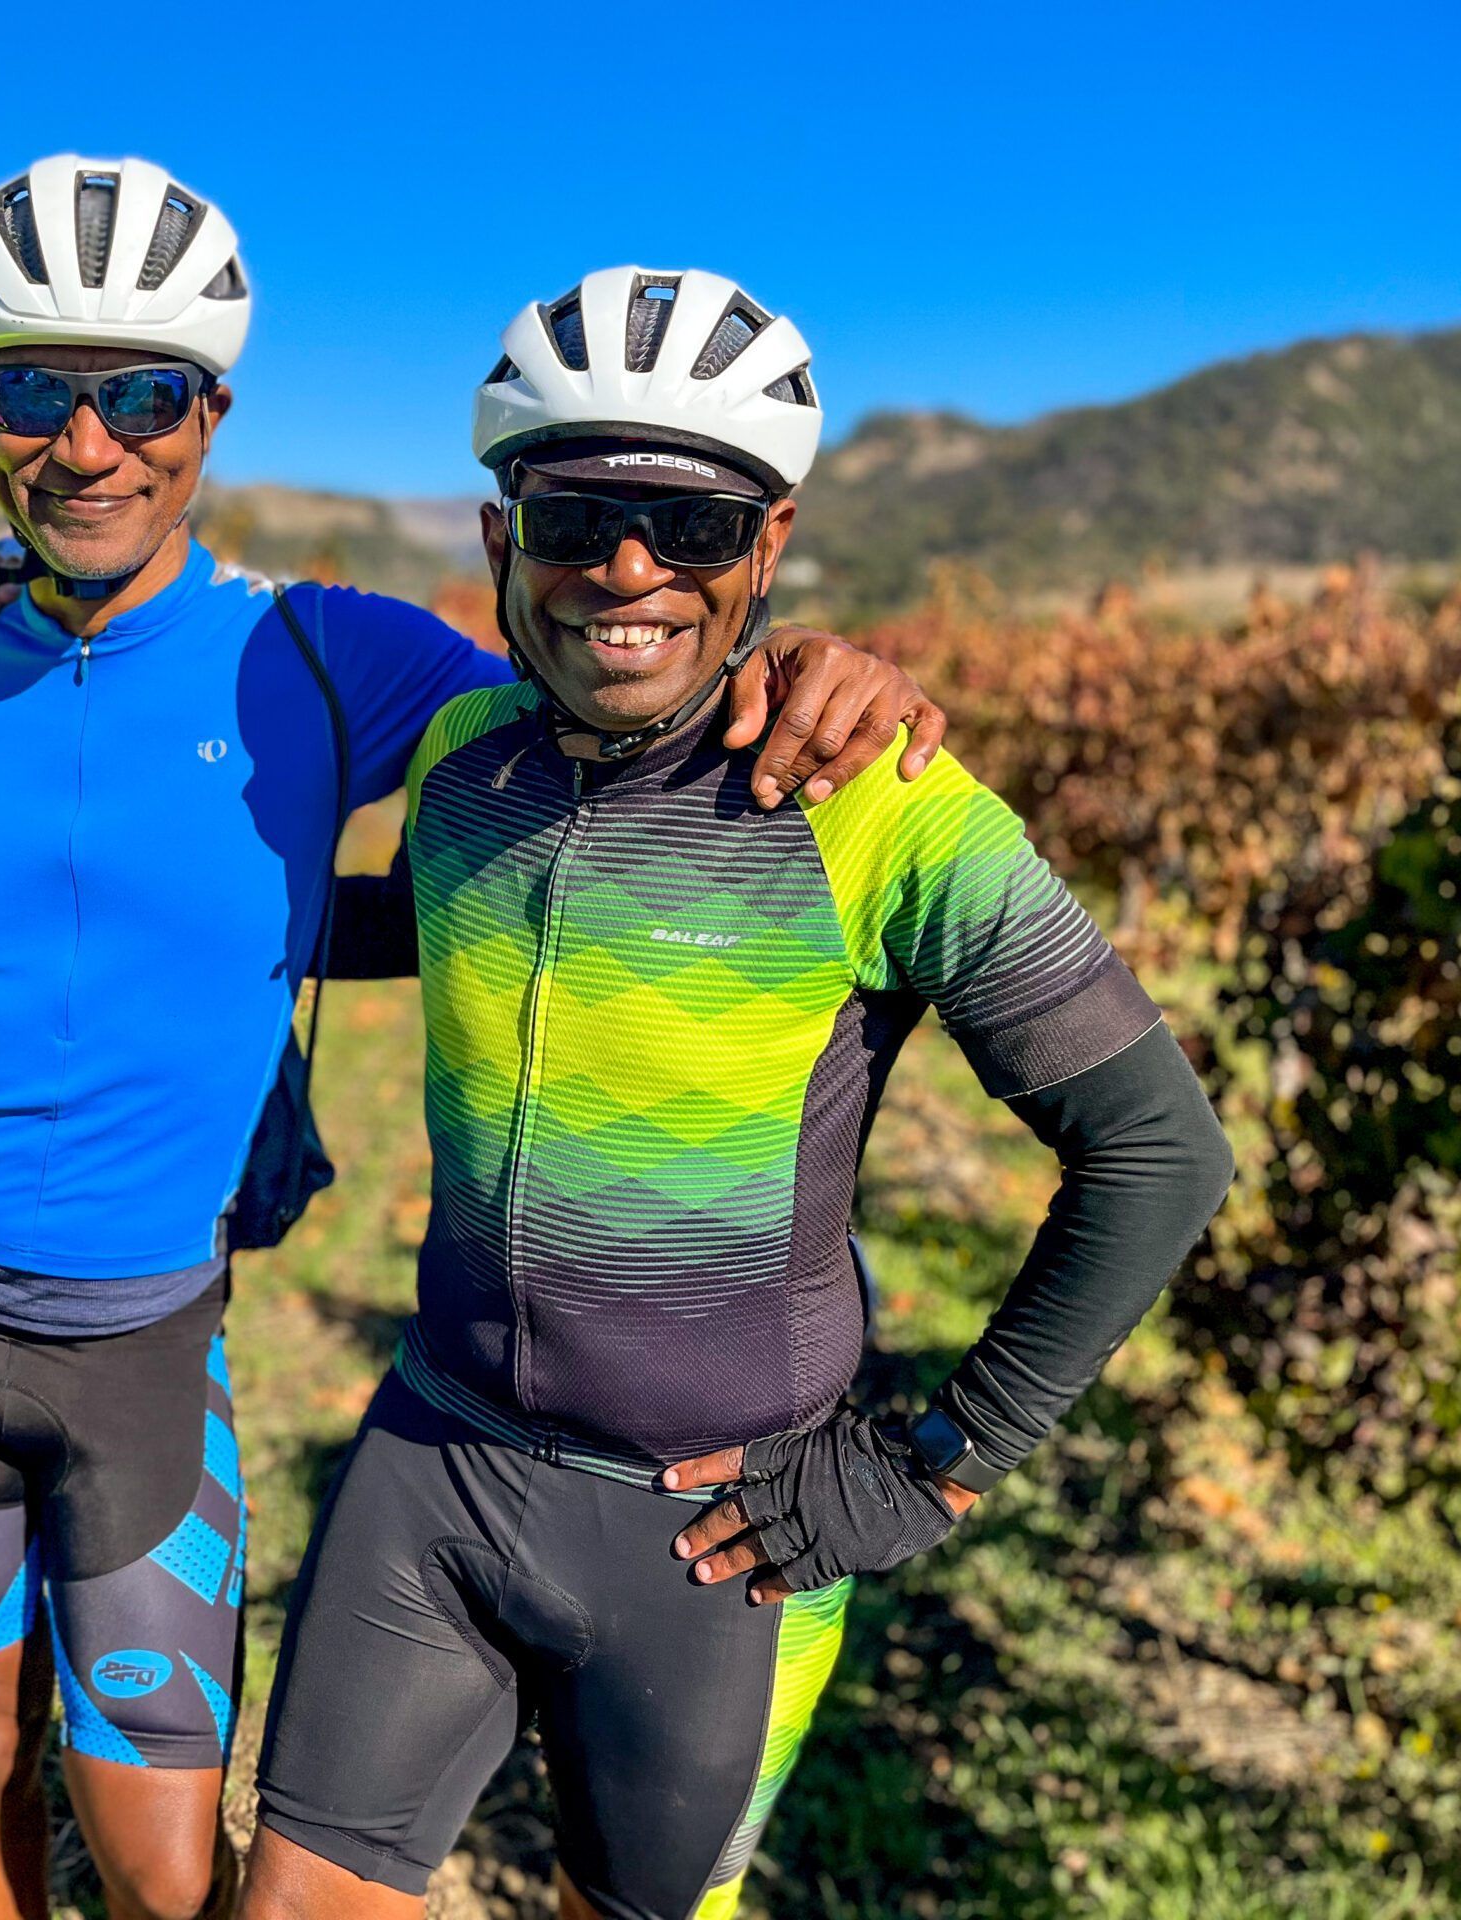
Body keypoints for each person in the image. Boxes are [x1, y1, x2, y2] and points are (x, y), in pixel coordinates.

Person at [0, 160, 952, 1920]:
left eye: (139, 394)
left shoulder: (325, 652)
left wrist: (801, 663)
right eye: (32, 390)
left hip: (141, 1331)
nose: (87, 442)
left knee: (158, 1857)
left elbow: (604, 677)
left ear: (209, 414)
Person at [239, 266, 1238, 1920]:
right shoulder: (463, 764)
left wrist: (934, 1464)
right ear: (501, 542)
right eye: (575, 515)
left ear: (766, 550)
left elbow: (1157, 1154)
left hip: (711, 1538)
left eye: (688, 527)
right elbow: (444, 924)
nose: (627, 569)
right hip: (435, 1458)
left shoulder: (881, 807)